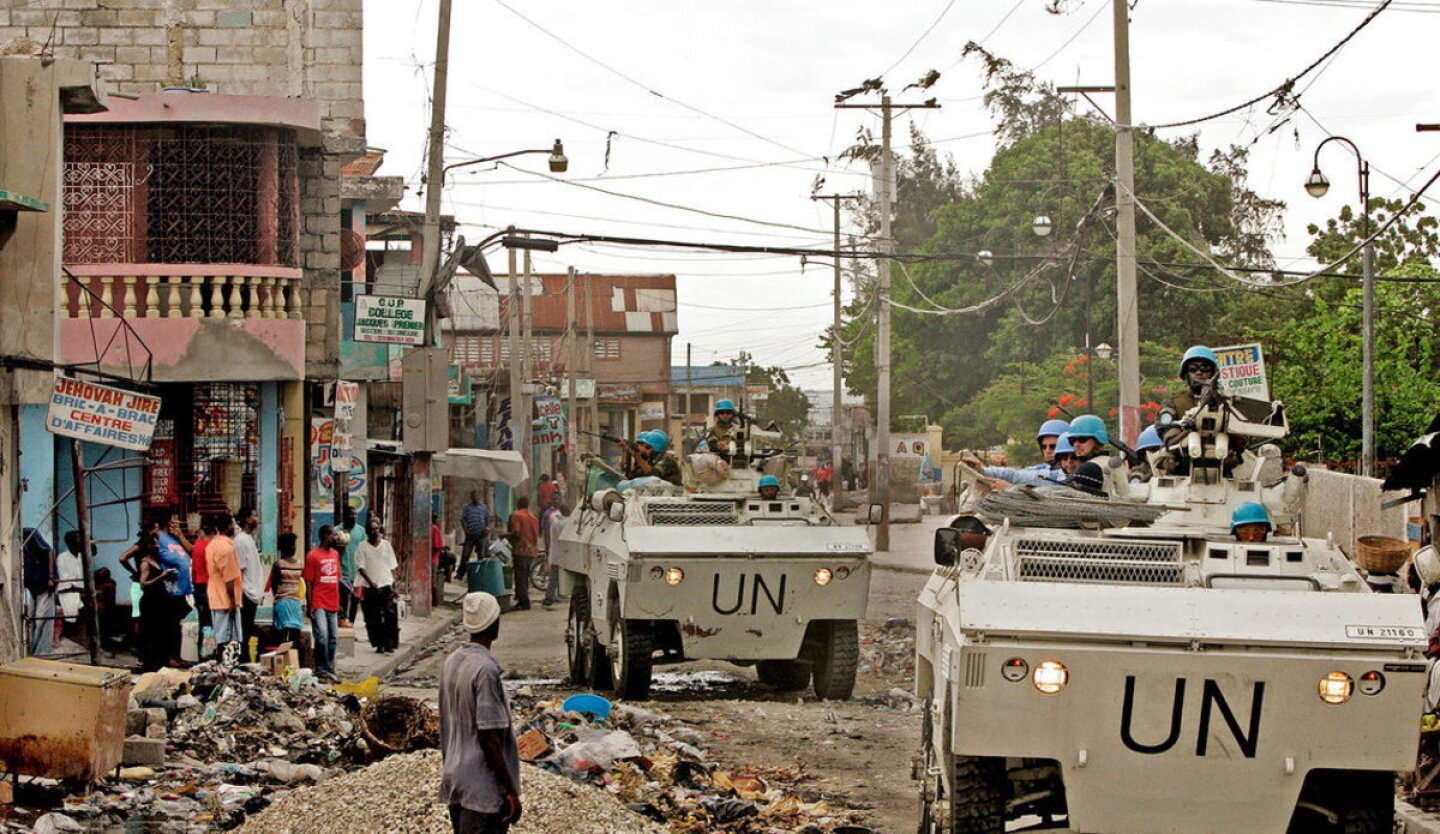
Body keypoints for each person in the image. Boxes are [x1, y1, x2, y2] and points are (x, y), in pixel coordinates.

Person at [438, 591, 521, 834]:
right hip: (482, 788)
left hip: (456, 778)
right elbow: (488, 736)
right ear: (494, 623)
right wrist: (510, 790)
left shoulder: (452, 661)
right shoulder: (485, 670)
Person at [205, 514, 245, 668]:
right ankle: (227, 667)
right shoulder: (227, 548)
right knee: (230, 637)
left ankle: (221, 665)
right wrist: (233, 602)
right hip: (226, 599)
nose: (234, 527)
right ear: (227, 527)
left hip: (216, 596)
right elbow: (229, 579)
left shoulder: (212, 545)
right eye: (232, 524)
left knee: (220, 635)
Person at [304, 526, 343, 681]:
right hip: (319, 601)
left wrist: (339, 602)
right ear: (326, 536)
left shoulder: (335, 554)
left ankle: (329, 667)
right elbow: (309, 582)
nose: (336, 537)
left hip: (333, 601)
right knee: (322, 636)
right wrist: (310, 604)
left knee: (333, 637)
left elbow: (337, 580)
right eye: (333, 535)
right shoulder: (313, 556)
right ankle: (320, 668)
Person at [156, 513, 194, 668]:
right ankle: (169, 657)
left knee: (178, 623)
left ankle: (177, 656)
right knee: (171, 625)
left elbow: (191, 551)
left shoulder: (175, 538)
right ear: (167, 521)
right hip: (170, 589)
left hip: (182, 589)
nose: (178, 522)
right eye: (175, 519)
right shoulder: (158, 536)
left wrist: (179, 535)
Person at [356, 521, 400, 653]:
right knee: (373, 618)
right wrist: (371, 583)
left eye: (376, 529)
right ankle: (378, 644)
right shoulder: (362, 547)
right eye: (371, 529)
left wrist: (394, 586)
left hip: (386, 585)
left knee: (389, 615)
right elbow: (361, 568)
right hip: (370, 587)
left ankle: (389, 644)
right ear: (367, 532)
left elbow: (393, 566)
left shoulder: (386, 545)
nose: (374, 532)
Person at [134, 530, 174, 672]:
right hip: (150, 601)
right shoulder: (145, 563)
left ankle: (159, 662)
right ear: (149, 546)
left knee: (160, 632)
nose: (157, 546)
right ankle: (148, 663)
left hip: (159, 600)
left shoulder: (157, 561)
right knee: (150, 631)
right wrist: (161, 576)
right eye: (154, 544)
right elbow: (143, 583)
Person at [234, 507, 264, 661]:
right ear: (246, 519)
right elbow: (239, 570)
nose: (257, 518)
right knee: (245, 631)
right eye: (254, 515)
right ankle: (243, 661)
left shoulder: (248, 538)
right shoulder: (241, 540)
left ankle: (247, 660)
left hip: (252, 593)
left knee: (247, 629)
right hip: (247, 592)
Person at [22, 528, 57, 656]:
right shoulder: (21, 547)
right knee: (31, 619)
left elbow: (49, 551)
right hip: (33, 587)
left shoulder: (30, 536)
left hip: (44, 585)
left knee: (41, 619)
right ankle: (32, 650)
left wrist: (51, 577)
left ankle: (41, 651)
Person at [267, 533, 305, 648]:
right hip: (295, 602)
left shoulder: (278, 565)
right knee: (296, 632)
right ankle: (294, 659)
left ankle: (282, 657)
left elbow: (274, 585)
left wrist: (278, 597)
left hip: (282, 602)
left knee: (282, 632)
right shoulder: (300, 564)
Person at [508, 498, 540, 611]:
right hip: (531, 550)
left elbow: (516, 531)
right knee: (525, 575)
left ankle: (524, 601)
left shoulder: (517, 515)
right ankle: (523, 599)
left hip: (520, 549)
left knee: (520, 576)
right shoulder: (534, 517)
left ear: (518, 504)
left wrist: (507, 536)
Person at [56, 531, 87, 644]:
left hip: (80, 589)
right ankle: (74, 635)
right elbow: (65, 580)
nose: (81, 542)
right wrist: (82, 590)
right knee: (77, 606)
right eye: (78, 540)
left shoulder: (81, 557)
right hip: (67, 590)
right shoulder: (62, 558)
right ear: (71, 543)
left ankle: (83, 635)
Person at [190, 517, 214, 659]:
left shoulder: (198, 543)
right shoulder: (209, 546)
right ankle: (207, 655)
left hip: (198, 587)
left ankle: (203, 654)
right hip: (208, 587)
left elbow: (193, 570)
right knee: (209, 624)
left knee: (204, 623)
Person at [540, 493, 568, 609]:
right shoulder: (560, 520)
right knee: (555, 577)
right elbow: (546, 533)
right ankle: (548, 599)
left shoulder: (555, 519)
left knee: (556, 577)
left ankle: (555, 595)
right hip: (560, 554)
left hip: (556, 553)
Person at [339, 506, 363, 628]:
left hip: (357, 572)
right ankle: (342, 621)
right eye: (350, 515)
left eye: (355, 515)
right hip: (342, 572)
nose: (353, 517)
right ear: (345, 516)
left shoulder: (361, 531)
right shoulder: (337, 531)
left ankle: (351, 624)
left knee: (355, 600)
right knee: (343, 598)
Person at [459, 491, 491, 578]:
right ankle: (460, 573)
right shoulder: (467, 508)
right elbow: (463, 520)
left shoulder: (483, 507)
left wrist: (487, 528)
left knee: (481, 555)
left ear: (479, 497)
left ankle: (481, 575)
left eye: (476, 496)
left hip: (481, 535)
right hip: (470, 535)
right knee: (465, 554)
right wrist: (466, 531)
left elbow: (488, 520)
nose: (475, 498)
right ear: (471, 497)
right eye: (473, 496)